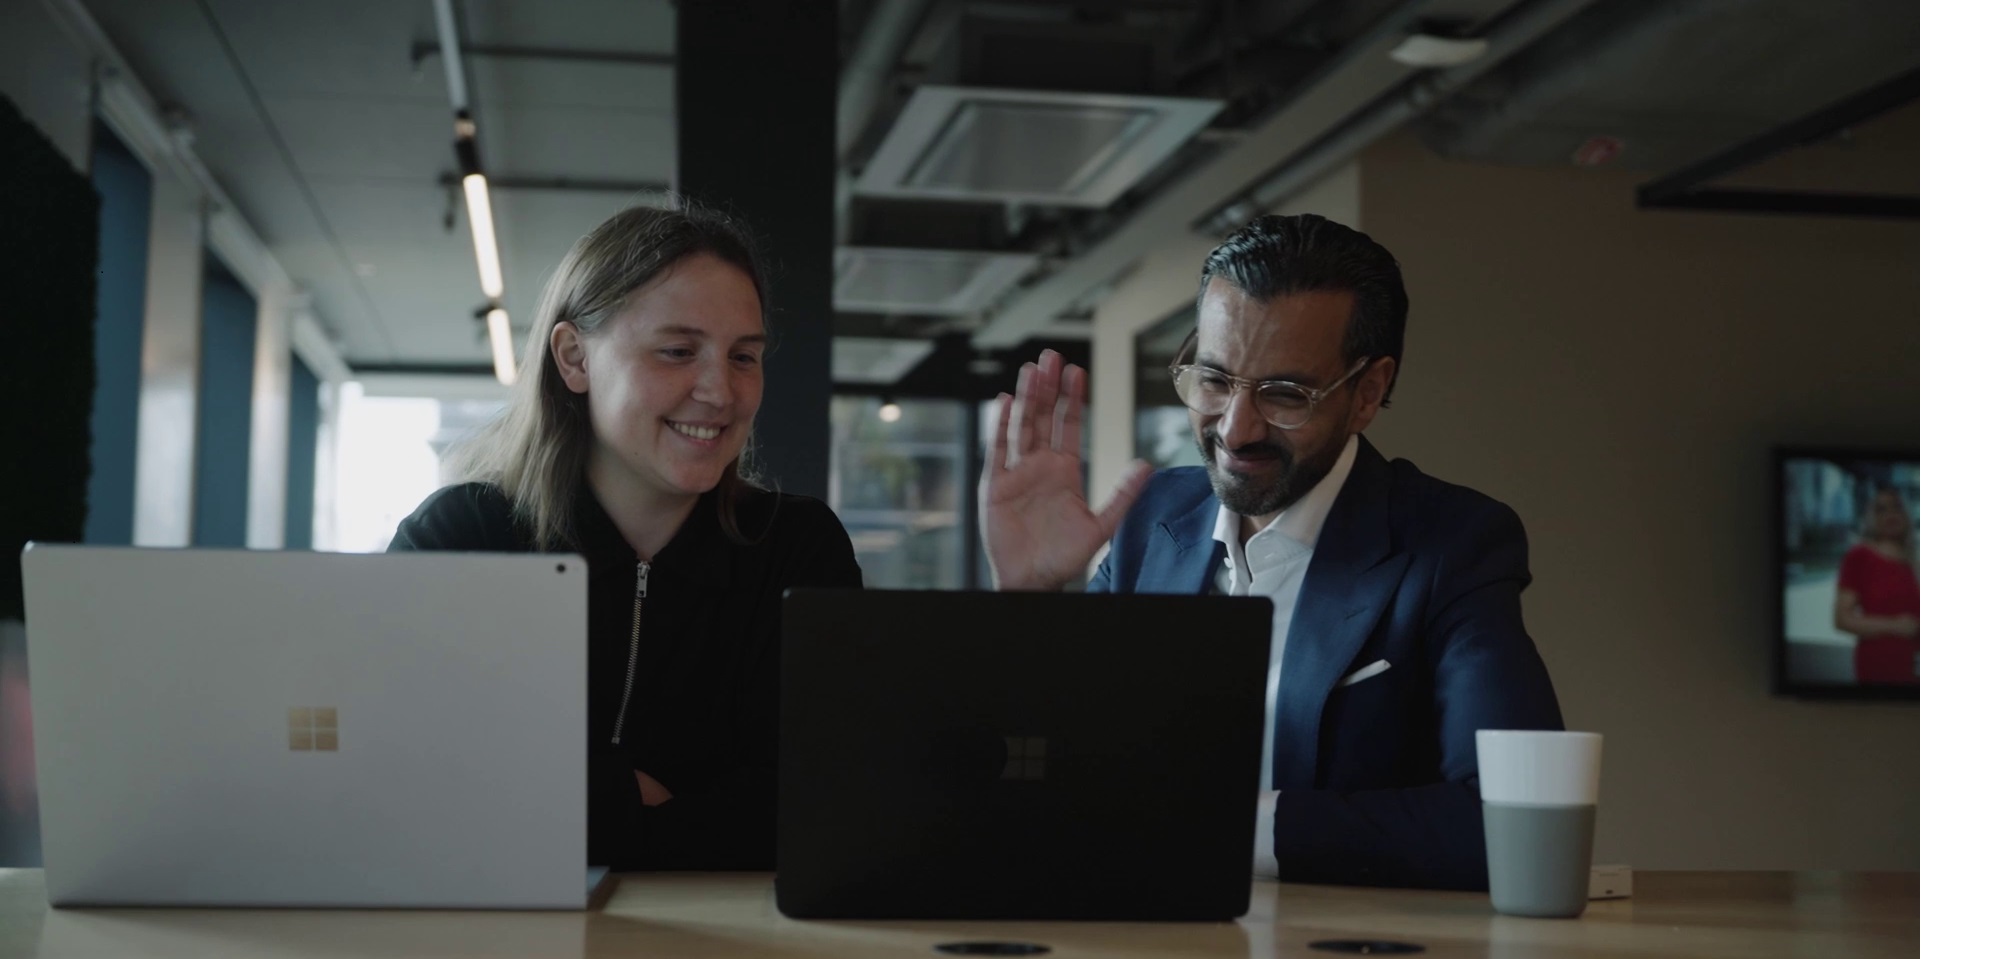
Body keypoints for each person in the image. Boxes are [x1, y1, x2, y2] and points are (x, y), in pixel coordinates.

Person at [980, 213, 1564, 890]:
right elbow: (1052, 767)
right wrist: (1029, 600)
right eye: (1214, 380)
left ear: (1368, 392)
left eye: (1286, 394)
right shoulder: (1151, 518)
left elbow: (1512, 818)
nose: (1236, 429)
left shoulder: (1452, 544)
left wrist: (1225, 826)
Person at [389, 201, 862, 870]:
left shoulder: (798, 549)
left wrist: (574, 805)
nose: (720, 391)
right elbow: (403, 781)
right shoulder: (461, 538)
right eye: (678, 351)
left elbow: (824, 805)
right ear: (574, 358)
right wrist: (651, 805)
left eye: (744, 356)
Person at [1834, 487, 1918, 684]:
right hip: (1878, 665)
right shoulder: (1859, 556)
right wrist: (1895, 626)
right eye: (1881, 509)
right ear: (1872, 518)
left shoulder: (1914, 561)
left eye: (1897, 507)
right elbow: (1842, 619)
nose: (1890, 514)